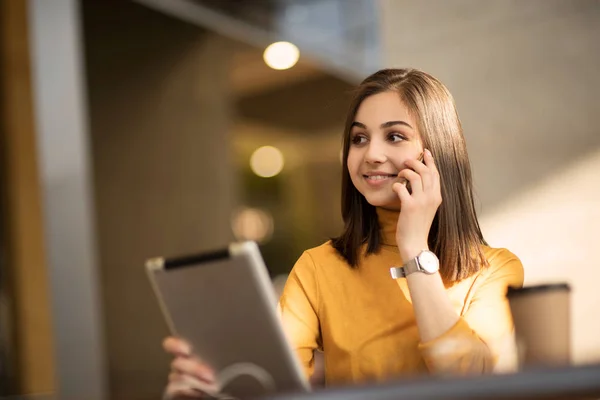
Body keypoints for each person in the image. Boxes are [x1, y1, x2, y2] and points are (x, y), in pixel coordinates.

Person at [162, 68, 524, 398]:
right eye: (359, 138)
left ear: (438, 153)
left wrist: (414, 248)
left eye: (395, 136)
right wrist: (212, 388)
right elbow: (279, 388)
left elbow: (475, 380)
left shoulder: (496, 270)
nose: (372, 155)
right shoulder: (318, 267)